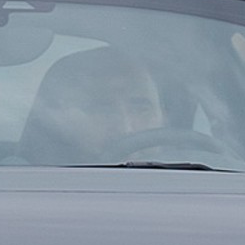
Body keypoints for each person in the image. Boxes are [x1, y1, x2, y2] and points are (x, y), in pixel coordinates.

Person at [18, 45, 164, 165]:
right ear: (61, 120)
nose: (126, 129)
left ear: (164, 115)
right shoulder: (23, 182)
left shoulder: (178, 180)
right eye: (103, 110)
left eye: (142, 110)